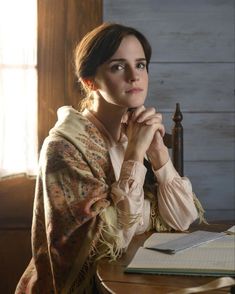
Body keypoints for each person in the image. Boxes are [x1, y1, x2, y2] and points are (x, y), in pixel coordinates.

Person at [15, 23, 205, 294]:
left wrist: (158, 153)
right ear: (89, 81)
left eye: (140, 65)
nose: (134, 76)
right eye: (118, 66)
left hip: (140, 280)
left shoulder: (138, 132)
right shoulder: (63, 149)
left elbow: (183, 219)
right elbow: (104, 245)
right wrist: (134, 156)